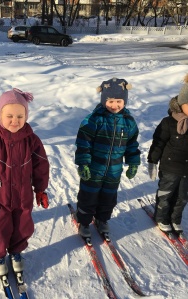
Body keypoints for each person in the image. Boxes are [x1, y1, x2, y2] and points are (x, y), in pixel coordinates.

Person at [0, 88, 49, 277]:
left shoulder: (32, 141)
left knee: (23, 227)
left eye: (20, 116)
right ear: (0, 116)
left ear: (26, 116)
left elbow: (41, 165)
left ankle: (16, 252)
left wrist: (40, 189)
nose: (15, 121)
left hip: (23, 197)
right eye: (10, 116)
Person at [75, 78, 141, 238]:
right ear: (104, 100)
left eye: (119, 101)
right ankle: (84, 221)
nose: (115, 105)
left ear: (124, 101)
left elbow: (132, 144)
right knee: (88, 196)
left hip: (114, 171)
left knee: (109, 197)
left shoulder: (129, 122)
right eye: (110, 101)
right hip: (94, 169)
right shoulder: (94, 119)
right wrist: (83, 163)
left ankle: (102, 219)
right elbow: (83, 142)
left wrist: (133, 162)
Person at [148, 74, 188, 233]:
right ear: (181, 103)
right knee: (166, 195)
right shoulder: (168, 122)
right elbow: (158, 142)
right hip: (170, 168)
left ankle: (175, 219)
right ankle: (162, 218)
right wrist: (152, 161)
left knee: (182, 198)